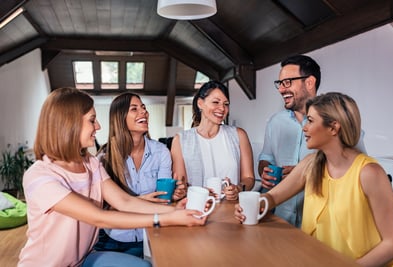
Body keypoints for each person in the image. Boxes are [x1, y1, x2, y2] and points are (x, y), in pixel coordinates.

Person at [18, 88, 207, 267]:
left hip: (81, 260)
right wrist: (167, 218)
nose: (98, 126)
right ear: (69, 123)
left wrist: (177, 211)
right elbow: (99, 218)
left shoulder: (90, 163)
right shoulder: (39, 176)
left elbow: (125, 201)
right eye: (92, 120)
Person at [236, 92, 393, 267]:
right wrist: (253, 205)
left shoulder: (369, 173)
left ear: (333, 128)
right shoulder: (311, 164)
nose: (304, 128)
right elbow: (273, 197)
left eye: (311, 121)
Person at [258, 54, 366, 227]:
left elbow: (356, 175)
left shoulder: (339, 122)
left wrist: (306, 175)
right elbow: (267, 161)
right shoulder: (274, 122)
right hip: (281, 220)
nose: (281, 89)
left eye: (287, 82)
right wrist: (265, 173)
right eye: (279, 83)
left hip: (325, 226)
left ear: (309, 82)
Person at [94, 92, 186, 258]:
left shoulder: (161, 152)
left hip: (149, 235)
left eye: (143, 108)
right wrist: (140, 200)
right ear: (120, 117)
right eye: (134, 109)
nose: (143, 112)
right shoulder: (104, 158)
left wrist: (175, 194)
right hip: (111, 239)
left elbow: (163, 199)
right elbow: (101, 208)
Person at [171, 81, 255, 201]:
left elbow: (249, 178)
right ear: (200, 103)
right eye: (215, 102)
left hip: (233, 211)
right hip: (197, 209)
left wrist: (239, 188)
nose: (222, 108)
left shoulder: (239, 135)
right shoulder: (181, 140)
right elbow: (180, 184)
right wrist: (198, 192)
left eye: (226, 104)